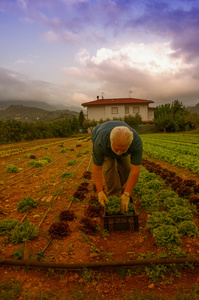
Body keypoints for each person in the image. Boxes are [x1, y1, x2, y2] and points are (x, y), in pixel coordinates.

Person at [91, 120, 143, 213]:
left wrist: (127, 193)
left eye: (123, 149)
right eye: (116, 149)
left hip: (119, 143)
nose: (119, 152)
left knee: (126, 169)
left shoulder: (136, 142)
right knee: (110, 169)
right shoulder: (100, 142)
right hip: (104, 144)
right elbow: (97, 169)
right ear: (111, 142)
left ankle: (121, 191)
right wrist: (100, 192)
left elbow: (135, 170)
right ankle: (114, 196)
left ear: (129, 144)